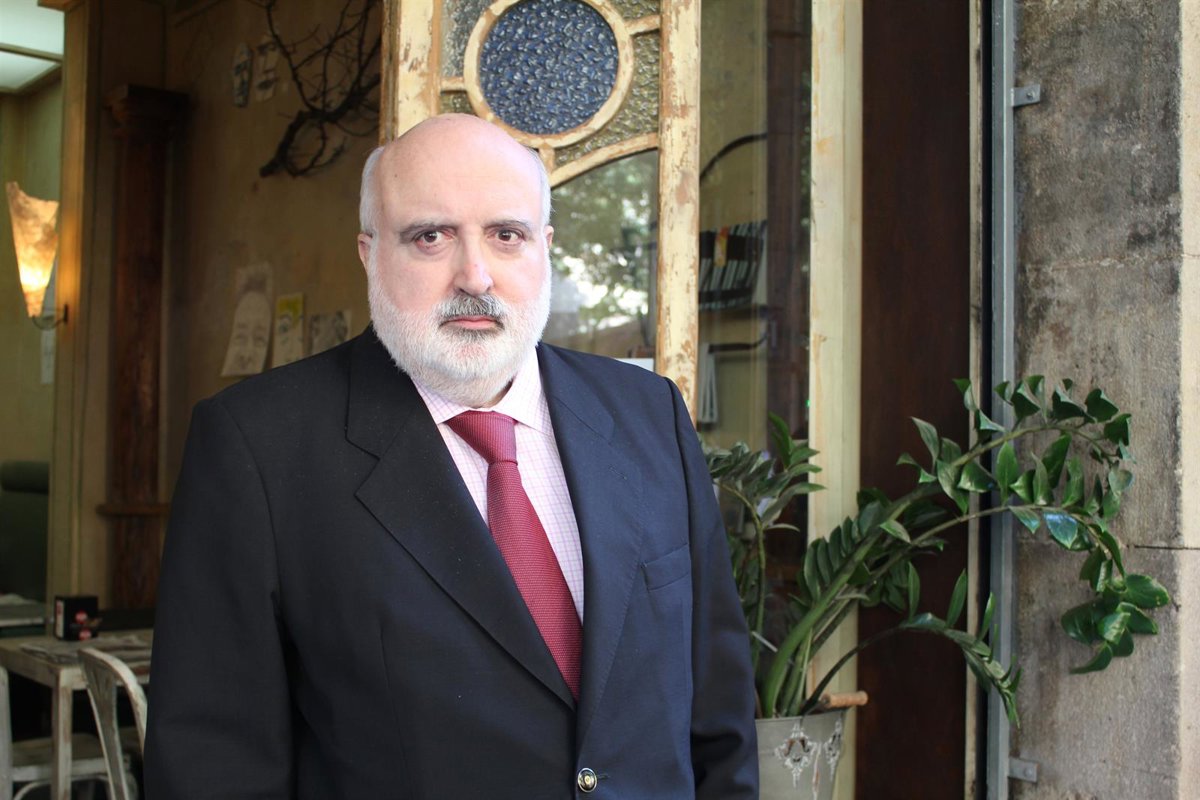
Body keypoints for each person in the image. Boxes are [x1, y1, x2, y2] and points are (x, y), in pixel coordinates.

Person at [144, 114, 757, 798]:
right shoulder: (257, 445)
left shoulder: (648, 413)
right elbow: (213, 761)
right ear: (369, 254)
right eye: (430, 237)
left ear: (545, 247)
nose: (475, 276)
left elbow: (719, 713)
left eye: (507, 235)